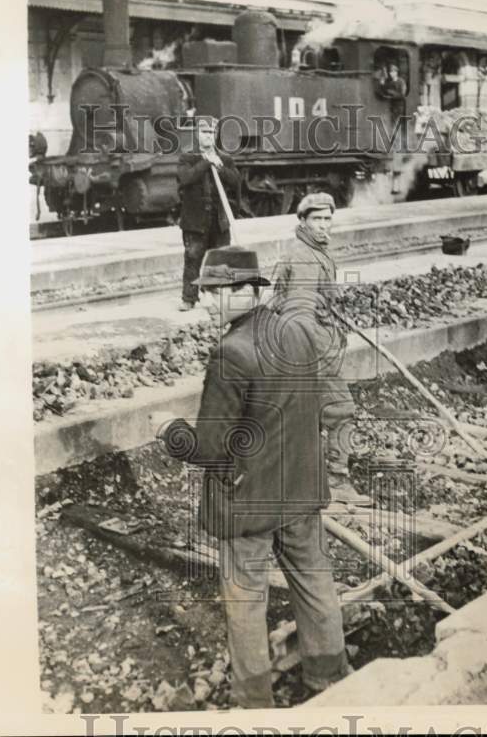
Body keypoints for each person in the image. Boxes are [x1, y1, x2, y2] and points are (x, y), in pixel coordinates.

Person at [154, 245, 351, 708]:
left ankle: (254, 702)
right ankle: (330, 676)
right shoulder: (293, 331)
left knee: (245, 602)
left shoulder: (229, 352)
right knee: (316, 582)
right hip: (300, 490)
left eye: (212, 292)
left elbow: (206, 447)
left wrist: (168, 429)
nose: (203, 302)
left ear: (243, 291)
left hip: (248, 502)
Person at [271, 192, 367, 505]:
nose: (324, 226)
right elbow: (299, 314)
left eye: (328, 219)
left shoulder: (313, 250)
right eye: (316, 219)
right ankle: (337, 480)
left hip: (310, 343)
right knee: (340, 410)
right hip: (311, 348)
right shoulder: (303, 257)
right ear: (302, 220)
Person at [176, 116, 241, 311]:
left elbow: (236, 181)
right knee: (193, 257)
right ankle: (189, 298)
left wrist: (218, 166)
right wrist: (205, 162)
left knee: (219, 258)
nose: (208, 136)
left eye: (212, 133)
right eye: (205, 132)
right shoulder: (187, 158)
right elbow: (185, 178)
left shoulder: (225, 159)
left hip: (218, 219)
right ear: (197, 133)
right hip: (195, 219)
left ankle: (211, 293)